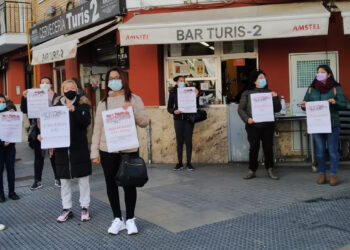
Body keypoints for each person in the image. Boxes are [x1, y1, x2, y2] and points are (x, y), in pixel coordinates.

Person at [91, 66, 149, 235]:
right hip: (107, 150)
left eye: (117, 77)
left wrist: (133, 110)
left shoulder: (134, 98)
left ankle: (130, 219)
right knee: (111, 184)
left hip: (128, 149)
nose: (114, 81)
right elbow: (97, 129)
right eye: (110, 79)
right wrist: (94, 152)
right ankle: (117, 219)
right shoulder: (103, 103)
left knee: (129, 184)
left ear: (123, 79)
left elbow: (145, 121)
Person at [40, 80, 92, 222]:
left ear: (77, 89)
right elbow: (49, 126)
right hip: (62, 150)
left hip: (79, 148)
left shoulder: (83, 105)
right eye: (66, 87)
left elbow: (86, 122)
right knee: (64, 180)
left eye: (72, 87)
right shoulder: (56, 106)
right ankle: (67, 208)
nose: (70, 89)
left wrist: (74, 111)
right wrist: (42, 136)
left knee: (83, 179)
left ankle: (85, 206)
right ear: (62, 90)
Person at [300, 65, 346, 186]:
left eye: (322, 72)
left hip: (332, 124)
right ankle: (322, 173)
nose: (319, 74)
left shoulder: (336, 88)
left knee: (332, 151)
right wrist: (303, 105)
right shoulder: (311, 89)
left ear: (329, 74)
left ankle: (333, 174)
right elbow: (305, 104)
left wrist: (335, 102)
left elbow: (344, 105)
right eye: (318, 72)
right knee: (319, 151)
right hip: (317, 125)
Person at [238, 70, 281, 180]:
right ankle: (252, 170)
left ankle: (270, 169)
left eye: (264, 78)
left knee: (268, 148)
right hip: (253, 126)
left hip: (268, 125)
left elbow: (277, 109)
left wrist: (275, 98)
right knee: (254, 147)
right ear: (254, 81)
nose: (263, 80)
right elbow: (241, 109)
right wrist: (247, 119)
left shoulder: (269, 92)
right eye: (261, 78)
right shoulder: (247, 94)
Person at [21, 76, 60, 190]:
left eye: (47, 82)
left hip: (53, 130)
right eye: (42, 82)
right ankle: (37, 181)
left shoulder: (56, 97)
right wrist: (24, 98)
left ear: (51, 85)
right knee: (38, 157)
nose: (45, 84)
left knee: (54, 156)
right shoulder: (33, 95)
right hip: (39, 131)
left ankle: (58, 178)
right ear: (39, 84)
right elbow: (24, 109)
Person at [167, 75, 198, 171]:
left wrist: (196, 96)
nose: (182, 82)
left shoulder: (190, 90)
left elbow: (196, 105)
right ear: (176, 82)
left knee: (188, 141)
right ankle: (179, 163)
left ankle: (189, 163)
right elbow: (169, 107)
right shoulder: (172, 92)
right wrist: (174, 111)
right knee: (179, 141)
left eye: (183, 80)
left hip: (189, 119)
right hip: (178, 119)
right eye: (180, 81)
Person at [0, 94, 20, 202]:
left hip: (10, 147)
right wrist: (2, 143)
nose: (2, 104)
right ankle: (1, 194)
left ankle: (12, 192)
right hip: (0, 147)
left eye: (3, 102)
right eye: (0, 102)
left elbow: (15, 128)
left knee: (11, 170)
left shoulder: (9, 112)